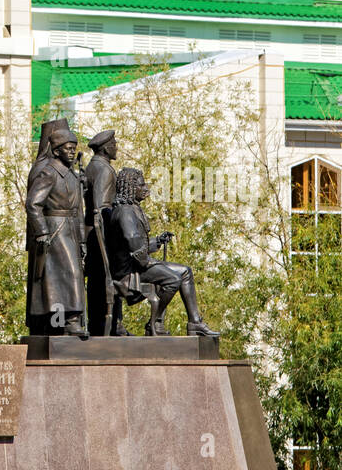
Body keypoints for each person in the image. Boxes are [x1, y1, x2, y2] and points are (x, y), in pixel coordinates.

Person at [107, 167, 219, 338]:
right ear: (130, 188)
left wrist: (157, 242)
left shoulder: (132, 209)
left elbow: (139, 243)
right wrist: (149, 262)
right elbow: (132, 240)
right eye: (141, 185)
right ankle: (154, 323)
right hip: (129, 272)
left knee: (185, 272)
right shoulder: (124, 211)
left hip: (138, 265)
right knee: (173, 279)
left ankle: (195, 323)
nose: (146, 189)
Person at [25, 119, 86, 336]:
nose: (72, 152)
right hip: (54, 229)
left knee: (74, 274)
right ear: (57, 151)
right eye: (68, 149)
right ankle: (69, 320)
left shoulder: (72, 175)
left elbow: (79, 210)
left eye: (74, 149)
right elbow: (33, 204)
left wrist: (82, 240)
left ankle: (69, 321)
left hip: (70, 229)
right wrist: (41, 231)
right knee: (66, 274)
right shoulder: (49, 172)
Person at [83, 129, 123, 337]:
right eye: (114, 143)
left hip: (91, 230)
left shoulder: (92, 166)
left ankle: (99, 325)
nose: (116, 147)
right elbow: (101, 207)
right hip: (101, 233)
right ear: (106, 147)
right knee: (108, 279)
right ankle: (112, 327)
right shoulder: (105, 170)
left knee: (97, 283)